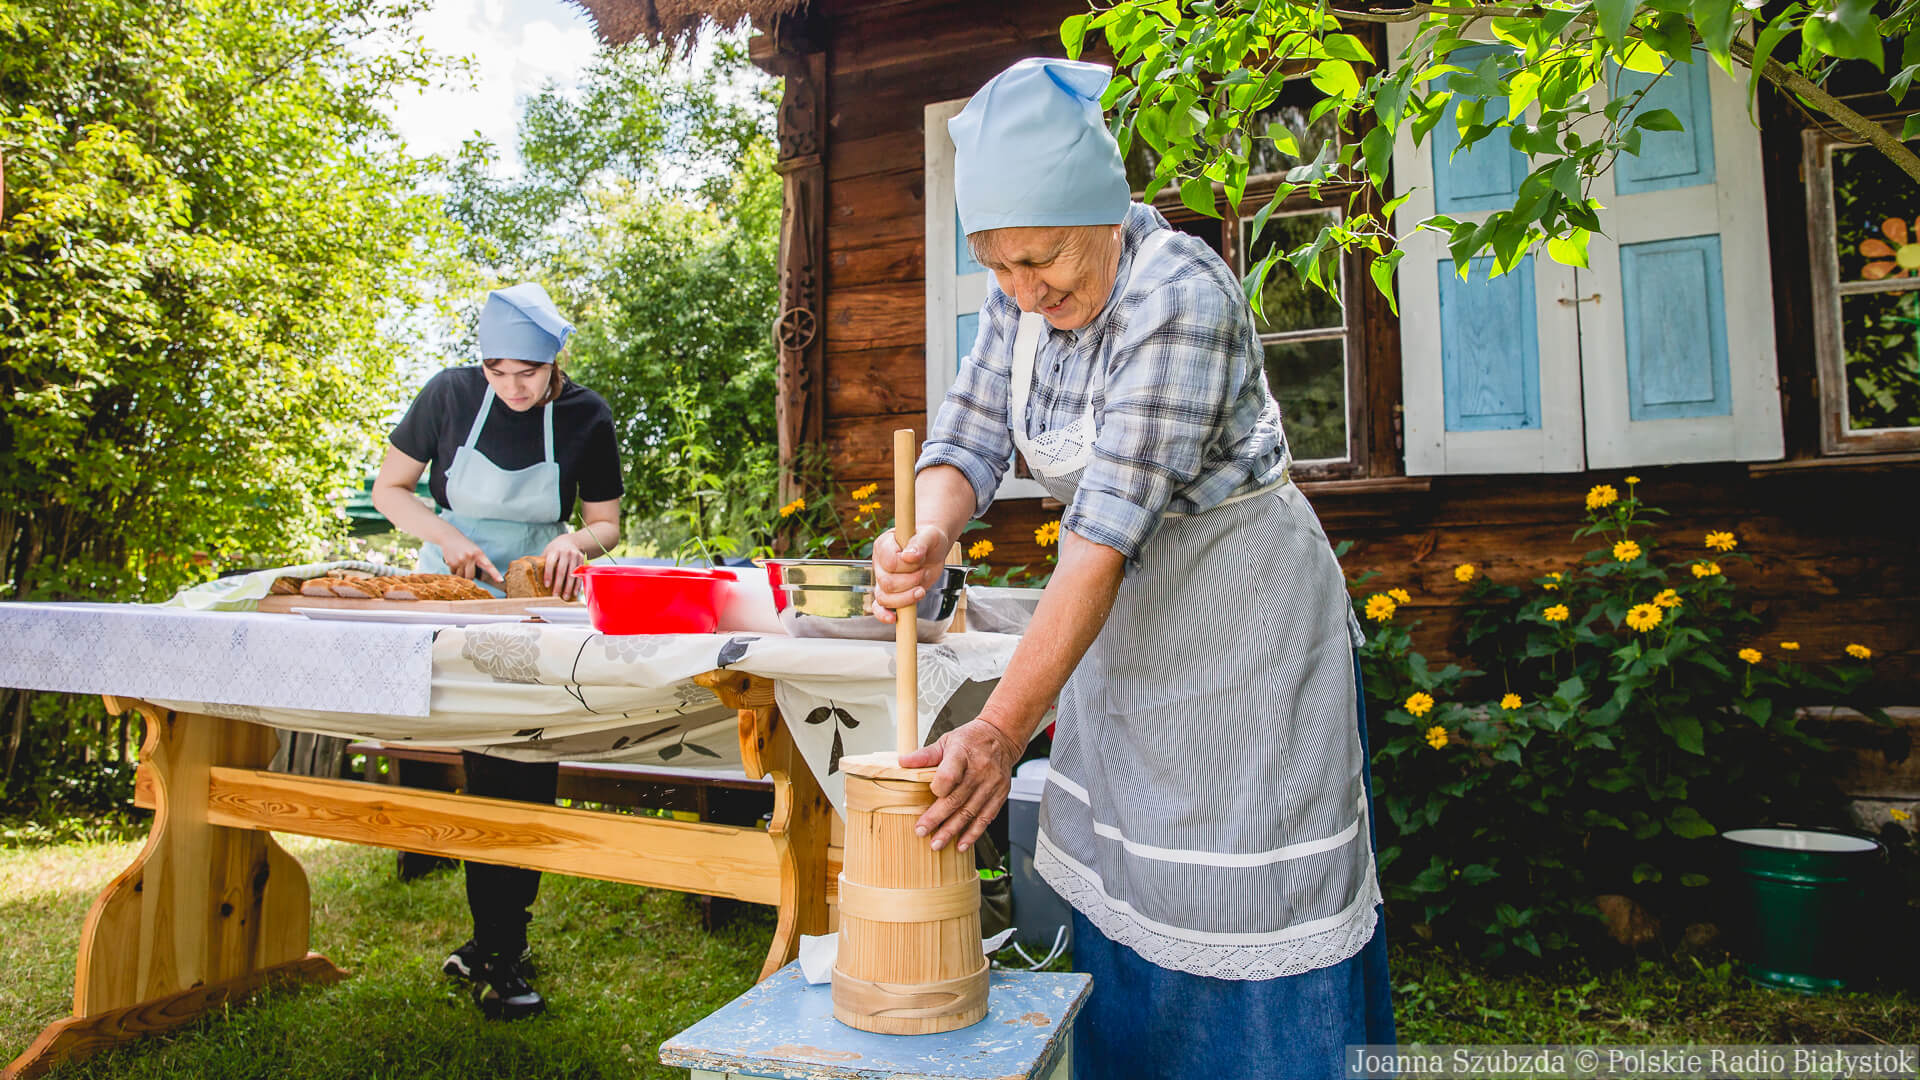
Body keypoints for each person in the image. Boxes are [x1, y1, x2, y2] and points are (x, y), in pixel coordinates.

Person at [873, 58, 1396, 1079]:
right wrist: (931, 529)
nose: (1027, 290)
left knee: (1242, 900)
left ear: (1105, 208)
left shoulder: (1179, 295)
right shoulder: (1019, 295)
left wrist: (993, 732)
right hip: (1126, 629)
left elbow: (1102, 535)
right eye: (1002, 268)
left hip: (1244, 630)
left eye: (1046, 260)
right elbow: (969, 437)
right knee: (1127, 883)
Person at [370, 282, 623, 1019]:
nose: (511, 388)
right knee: (479, 760)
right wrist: (448, 540)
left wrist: (573, 542)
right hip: (451, 597)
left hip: (538, 606)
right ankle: (494, 943)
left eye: (528, 374)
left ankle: (498, 944)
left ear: (555, 366)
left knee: (526, 759)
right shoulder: (448, 395)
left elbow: (606, 523)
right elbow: (392, 489)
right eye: (497, 373)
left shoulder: (586, 416)